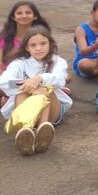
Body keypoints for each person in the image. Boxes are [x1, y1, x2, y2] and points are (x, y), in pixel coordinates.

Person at [0, 26, 71, 155]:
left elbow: (60, 79)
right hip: (24, 109)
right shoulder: (19, 63)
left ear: (50, 44)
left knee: (46, 88)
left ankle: (43, 129)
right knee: (22, 91)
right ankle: (26, 131)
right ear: (27, 48)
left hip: (51, 112)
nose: (38, 48)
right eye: (33, 45)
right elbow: (3, 81)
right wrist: (29, 86)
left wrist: (40, 78)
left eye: (43, 43)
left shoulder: (57, 61)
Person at [1, 2, 51, 107]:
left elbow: (49, 60)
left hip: (35, 77)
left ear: (35, 16)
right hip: (10, 77)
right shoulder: (5, 37)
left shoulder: (41, 36)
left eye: (28, 12)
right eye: (19, 13)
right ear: (13, 17)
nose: (24, 16)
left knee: (65, 77)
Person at [72, 0, 98, 78]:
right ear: (92, 13)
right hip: (88, 61)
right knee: (84, 64)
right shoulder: (81, 29)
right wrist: (96, 46)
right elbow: (82, 52)